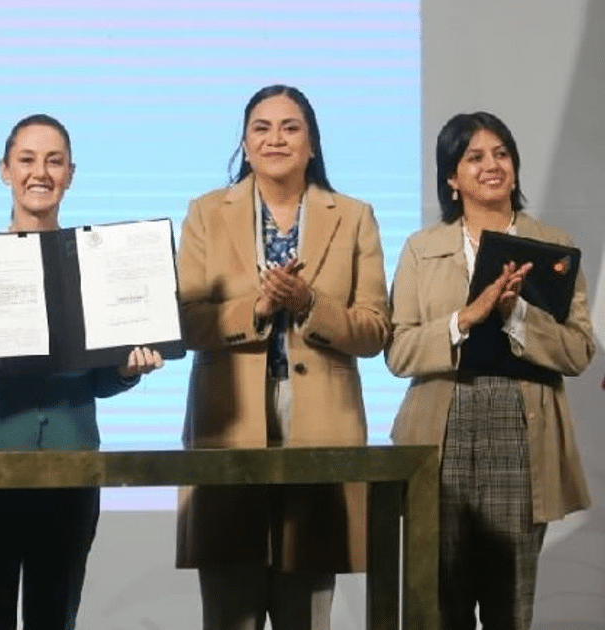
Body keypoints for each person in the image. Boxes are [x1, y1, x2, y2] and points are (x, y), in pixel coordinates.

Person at [0, 113, 164, 630]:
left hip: (70, 467)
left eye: (54, 161)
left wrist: (128, 369)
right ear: (4, 171)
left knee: (54, 619)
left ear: (71, 174)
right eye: (27, 160)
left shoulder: (95, 262)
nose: (41, 172)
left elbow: (99, 379)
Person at [175, 85, 390, 630]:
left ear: (312, 144)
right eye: (261, 128)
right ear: (245, 144)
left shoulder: (354, 216)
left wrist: (311, 305)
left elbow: (374, 330)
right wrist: (260, 305)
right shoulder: (205, 214)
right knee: (230, 606)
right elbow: (185, 323)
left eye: (290, 128)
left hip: (321, 420)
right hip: (229, 421)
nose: (275, 139)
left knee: (307, 610)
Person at [385, 111, 594, 630]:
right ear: (451, 179)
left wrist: (516, 314)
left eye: (501, 153)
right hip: (441, 427)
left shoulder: (552, 246)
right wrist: (465, 318)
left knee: (509, 603)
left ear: (516, 168)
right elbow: (398, 351)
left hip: (522, 428)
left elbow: (578, 350)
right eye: (474, 157)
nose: (491, 165)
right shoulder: (422, 248)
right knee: (441, 603)